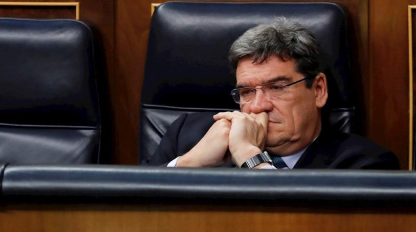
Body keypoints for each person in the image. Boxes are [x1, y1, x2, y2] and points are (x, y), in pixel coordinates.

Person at [142, 18, 400, 170]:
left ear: (319, 90)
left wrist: (249, 155)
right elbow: (134, 216)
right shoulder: (186, 136)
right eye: (246, 91)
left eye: (277, 88)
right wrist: (187, 165)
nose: (257, 107)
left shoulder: (363, 164)